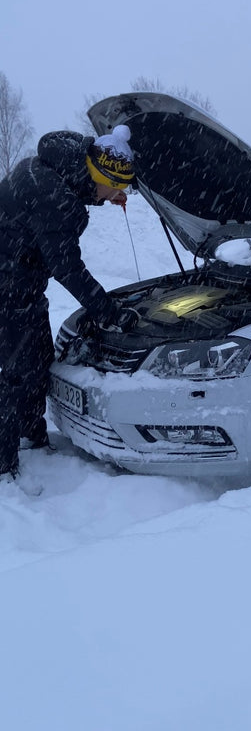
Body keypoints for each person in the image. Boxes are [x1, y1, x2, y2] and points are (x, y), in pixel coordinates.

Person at [0, 124, 137, 481]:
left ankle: (32, 436)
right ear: (102, 175)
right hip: (7, 287)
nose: (115, 197)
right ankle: (3, 466)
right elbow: (69, 269)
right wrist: (110, 312)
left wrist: (102, 193)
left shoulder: (61, 168)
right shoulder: (55, 198)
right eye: (117, 188)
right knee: (15, 373)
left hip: (21, 284)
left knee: (37, 358)